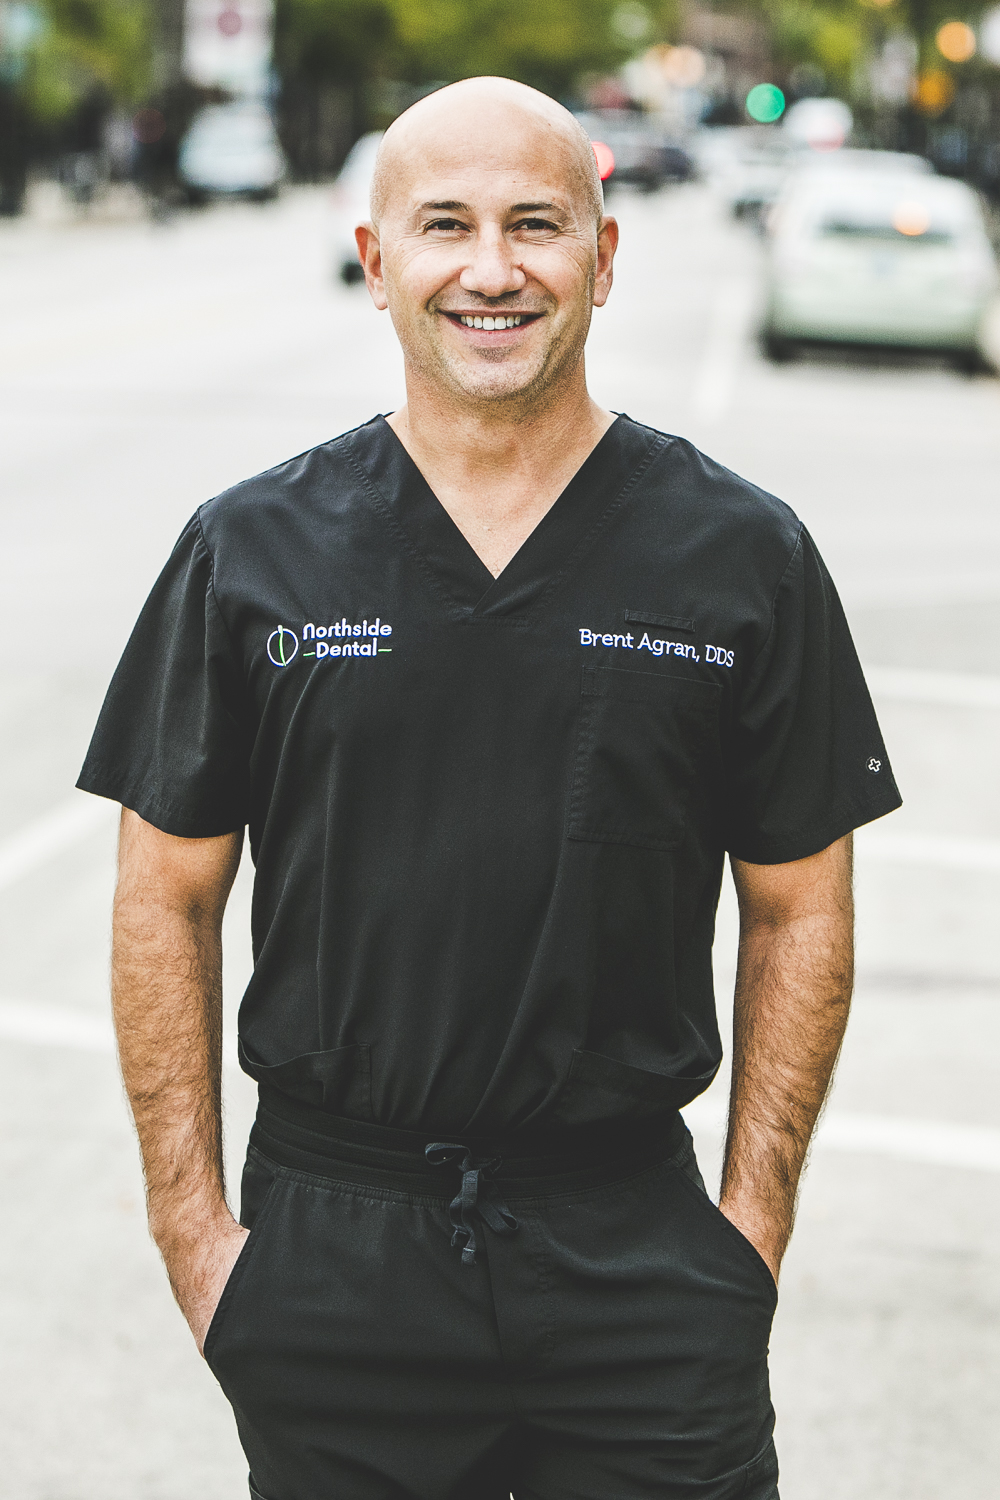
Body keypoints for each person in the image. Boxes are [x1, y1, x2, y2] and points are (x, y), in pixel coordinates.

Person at [79, 76, 901, 1500]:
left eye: (537, 224)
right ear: (376, 259)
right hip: (340, 1248)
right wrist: (198, 1240)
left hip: (635, 1249)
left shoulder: (741, 556)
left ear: (605, 254)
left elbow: (800, 911)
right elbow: (165, 894)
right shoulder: (252, 552)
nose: (493, 268)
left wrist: (744, 1236)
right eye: (445, 225)